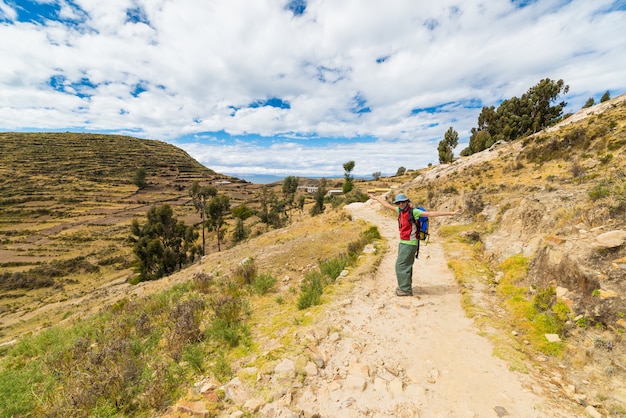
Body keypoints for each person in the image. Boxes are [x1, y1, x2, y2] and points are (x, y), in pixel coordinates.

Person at [368, 192, 461, 297]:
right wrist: (375, 198)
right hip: (403, 242)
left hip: (410, 243)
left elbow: (431, 214)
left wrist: (451, 213)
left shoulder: (414, 212)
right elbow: (387, 205)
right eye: (399, 203)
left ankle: (405, 289)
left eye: (403, 202)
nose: (401, 204)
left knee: (400, 265)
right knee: (406, 265)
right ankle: (406, 287)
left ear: (407, 202)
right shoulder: (399, 211)